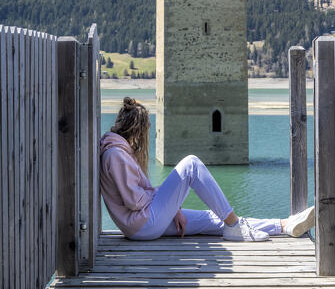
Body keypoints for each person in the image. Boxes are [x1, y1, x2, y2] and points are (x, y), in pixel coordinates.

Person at [100, 97, 315, 242]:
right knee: (191, 164)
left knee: (213, 218)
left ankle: (284, 225)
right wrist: (168, 201)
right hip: (144, 225)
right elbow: (134, 201)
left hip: (145, 223)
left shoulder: (118, 151)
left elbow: (139, 197)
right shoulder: (116, 155)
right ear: (138, 129)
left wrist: (172, 206)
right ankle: (234, 225)